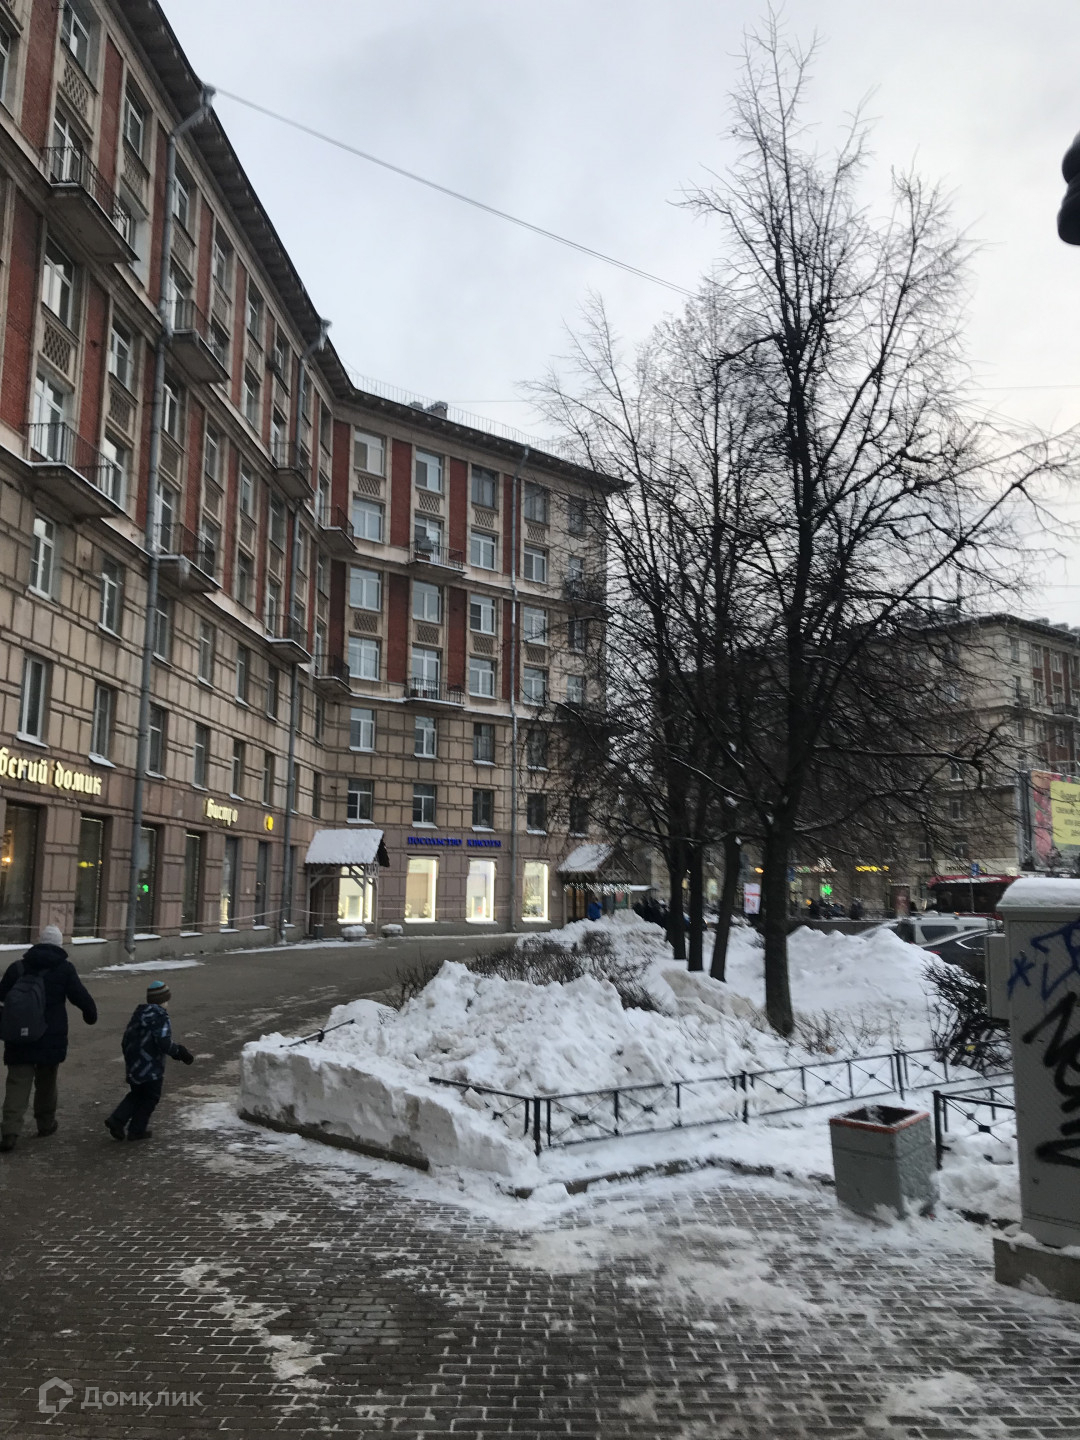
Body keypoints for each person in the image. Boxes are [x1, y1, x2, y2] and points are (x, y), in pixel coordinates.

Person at [0, 925, 97, 1152]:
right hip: (49, 1036)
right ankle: (45, 1124)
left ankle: (10, 1131)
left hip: (18, 1037)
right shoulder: (64, 969)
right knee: (47, 1082)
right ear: (59, 944)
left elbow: (1, 998)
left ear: (39, 941)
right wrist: (90, 1014)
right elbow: (80, 996)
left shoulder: (18, 967)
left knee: (17, 1083)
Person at [105, 980, 194, 1142]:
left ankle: (117, 1120)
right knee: (150, 1098)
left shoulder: (139, 1015)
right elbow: (163, 1042)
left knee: (136, 1094)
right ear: (163, 1001)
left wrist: (131, 1059)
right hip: (151, 1067)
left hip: (135, 1063)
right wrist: (179, 1052)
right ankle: (136, 1130)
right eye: (166, 1000)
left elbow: (126, 1039)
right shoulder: (160, 1016)